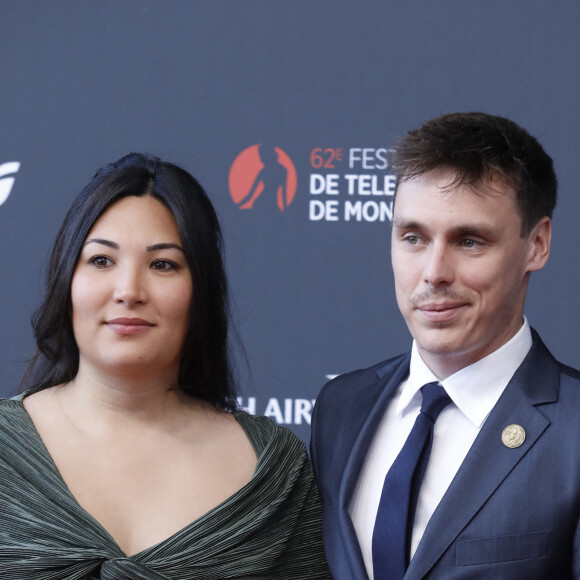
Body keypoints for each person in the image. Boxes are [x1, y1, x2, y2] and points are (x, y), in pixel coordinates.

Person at [0, 153, 331, 579]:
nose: (128, 290)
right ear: (68, 279)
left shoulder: (275, 473)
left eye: (162, 264)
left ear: (201, 293)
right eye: (101, 260)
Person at [311, 112, 580, 579]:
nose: (434, 272)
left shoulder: (573, 431)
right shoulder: (341, 408)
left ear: (536, 244)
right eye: (413, 237)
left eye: (469, 241)